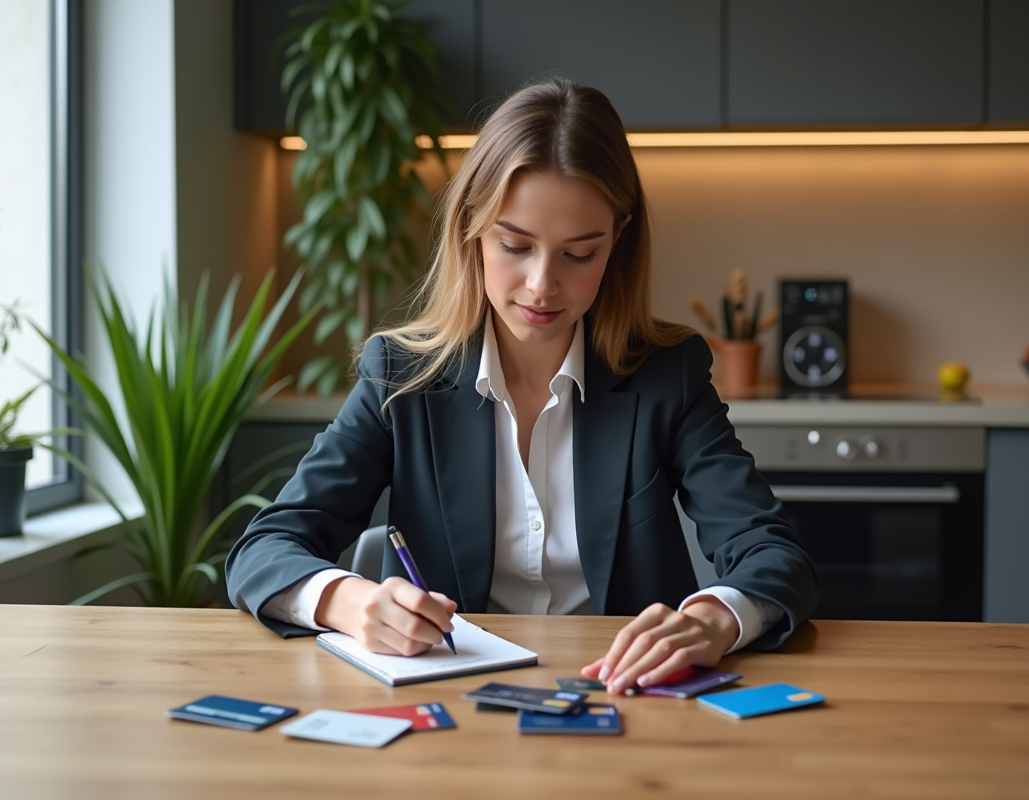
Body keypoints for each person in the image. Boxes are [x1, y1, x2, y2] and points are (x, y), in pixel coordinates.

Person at [225, 78, 818, 695]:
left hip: (628, 703)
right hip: (456, 705)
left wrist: (712, 620)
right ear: (471, 232)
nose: (541, 285)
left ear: (618, 240)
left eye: (579, 254)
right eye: (514, 245)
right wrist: (349, 602)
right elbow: (265, 548)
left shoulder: (669, 375)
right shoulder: (399, 375)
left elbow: (772, 550)